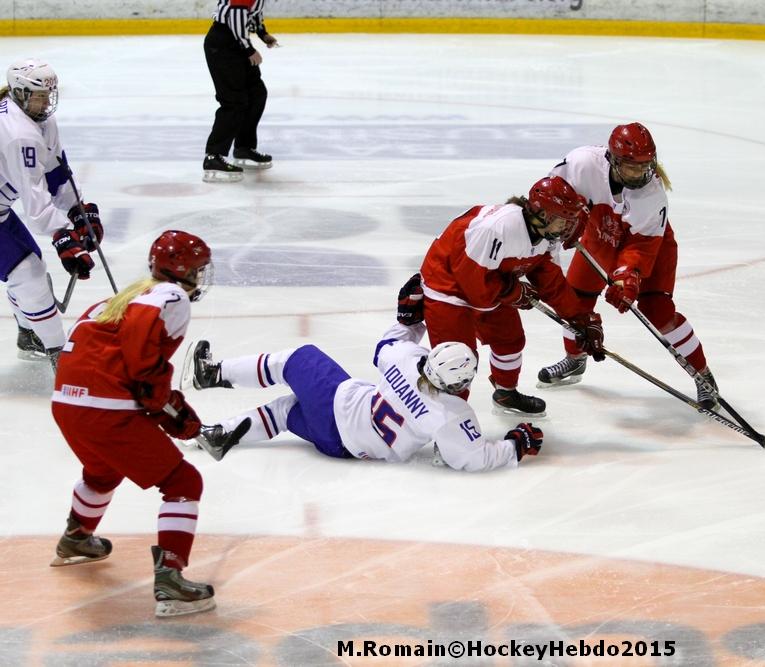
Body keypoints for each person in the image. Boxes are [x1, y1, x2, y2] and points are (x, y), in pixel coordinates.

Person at [49, 230, 222, 619]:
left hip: (67, 403)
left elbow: (124, 363)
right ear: (182, 270)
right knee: (183, 483)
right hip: (103, 409)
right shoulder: (172, 298)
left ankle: (76, 537)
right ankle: (171, 579)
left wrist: (169, 411)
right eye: (198, 268)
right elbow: (144, 373)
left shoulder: (123, 296)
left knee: (102, 470)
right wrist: (172, 413)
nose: (200, 275)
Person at [187, 305, 545, 472]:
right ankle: (220, 435)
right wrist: (515, 444)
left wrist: (411, 316)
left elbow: (386, 344)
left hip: (338, 406)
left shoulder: (405, 359)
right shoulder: (452, 414)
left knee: (297, 358)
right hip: (341, 448)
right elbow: (471, 457)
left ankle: (212, 374)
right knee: (284, 411)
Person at [537, 122, 719, 408]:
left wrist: (627, 276)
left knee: (658, 312)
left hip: (649, 246)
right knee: (572, 301)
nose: (640, 174)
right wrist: (567, 223)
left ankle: (703, 376)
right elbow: (551, 197)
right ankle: (575, 359)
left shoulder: (652, 194)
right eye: (632, 167)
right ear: (612, 159)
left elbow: (642, 246)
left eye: (645, 166)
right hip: (601, 234)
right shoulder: (582, 164)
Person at [417, 175, 606, 417]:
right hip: (447, 287)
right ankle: (447, 430)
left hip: (490, 283)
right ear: (543, 214)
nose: (567, 228)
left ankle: (506, 393)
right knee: (457, 363)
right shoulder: (496, 228)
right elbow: (474, 285)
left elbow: (551, 282)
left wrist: (580, 318)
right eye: (564, 220)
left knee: (510, 339)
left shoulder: (545, 235)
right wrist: (513, 292)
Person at [0, 59, 103, 370]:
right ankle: (61, 355)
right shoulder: (18, 133)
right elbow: (35, 202)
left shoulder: (39, 120)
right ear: (20, 94)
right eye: (39, 96)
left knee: (31, 270)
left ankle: (29, 333)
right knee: (28, 275)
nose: (46, 103)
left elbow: (56, 174)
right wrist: (63, 236)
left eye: (49, 95)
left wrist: (79, 211)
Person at [202, 0, 278, 182]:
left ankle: (244, 147)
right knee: (234, 101)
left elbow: (253, 13)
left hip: (235, 44)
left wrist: (262, 33)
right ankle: (213, 157)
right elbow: (236, 17)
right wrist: (249, 49)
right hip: (223, 46)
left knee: (256, 94)